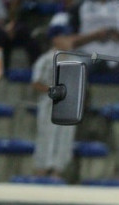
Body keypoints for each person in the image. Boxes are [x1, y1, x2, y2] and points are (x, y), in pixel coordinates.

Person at [30, 21, 76, 180]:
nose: (69, 40)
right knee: (46, 137)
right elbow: (36, 82)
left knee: (64, 139)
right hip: (49, 104)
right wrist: (54, 91)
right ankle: (41, 172)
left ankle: (57, 173)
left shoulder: (74, 60)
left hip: (69, 106)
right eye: (65, 36)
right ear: (55, 39)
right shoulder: (46, 59)